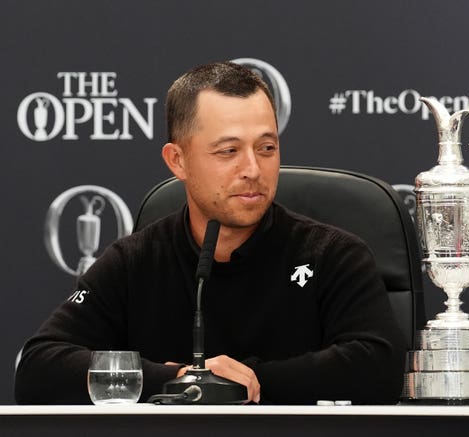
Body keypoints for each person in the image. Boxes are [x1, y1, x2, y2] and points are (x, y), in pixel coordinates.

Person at [15, 61, 406, 405]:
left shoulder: (332, 254)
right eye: (228, 151)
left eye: (267, 147)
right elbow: (39, 368)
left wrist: (248, 383)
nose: (253, 168)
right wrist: (178, 380)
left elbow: (379, 367)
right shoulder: (135, 261)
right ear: (178, 160)